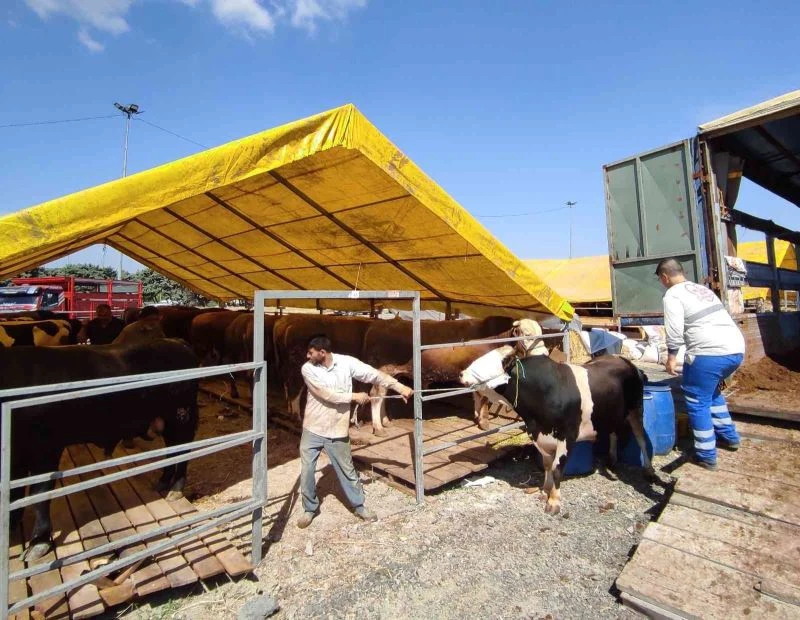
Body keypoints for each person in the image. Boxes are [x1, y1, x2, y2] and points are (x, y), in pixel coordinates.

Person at [297, 334, 414, 528]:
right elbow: (326, 394)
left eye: (311, 353)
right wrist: (355, 396)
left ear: (322, 352)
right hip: (313, 427)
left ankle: (359, 506)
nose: (308, 356)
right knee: (307, 469)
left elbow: (374, 374)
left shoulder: (346, 363)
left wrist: (400, 387)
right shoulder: (308, 369)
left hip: (337, 429)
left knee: (347, 469)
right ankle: (309, 508)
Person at [656, 258, 745, 469]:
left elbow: (674, 329)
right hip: (735, 350)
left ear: (664, 277)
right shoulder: (700, 289)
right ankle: (729, 437)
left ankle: (706, 455)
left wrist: (671, 357)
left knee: (697, 401)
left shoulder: (673, 295)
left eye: (661, 280)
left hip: (709, 355)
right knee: (712, 392)